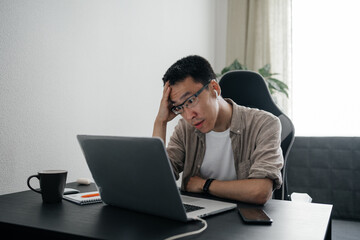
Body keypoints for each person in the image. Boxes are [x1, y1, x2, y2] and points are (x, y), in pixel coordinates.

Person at [152, 55, 283, 205]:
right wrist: (160, 122)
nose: (189, 116)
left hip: (245, 220)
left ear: (214, 88)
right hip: (199, 218)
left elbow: (260, 191)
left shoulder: (265, 124)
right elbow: (157, 181)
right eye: (179, 107)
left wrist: (205, 185)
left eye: (190, 101)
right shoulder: (185, 129)